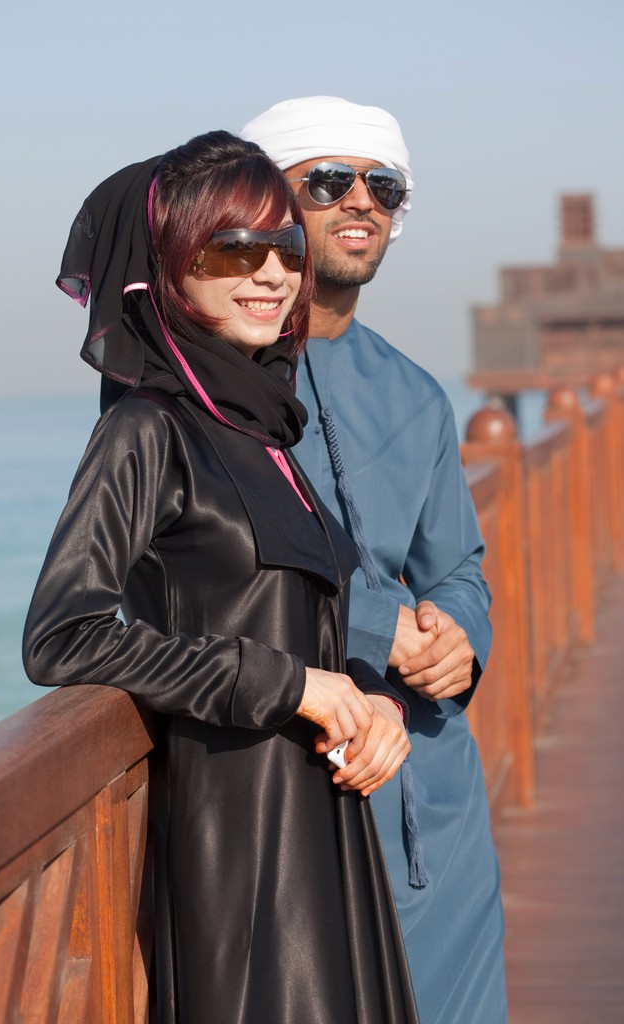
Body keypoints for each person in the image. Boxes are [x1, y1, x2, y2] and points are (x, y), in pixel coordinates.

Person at [23, 131, 421, 1024]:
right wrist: (288, 685)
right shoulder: (146, 427)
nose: (272, 274)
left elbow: (303, 620)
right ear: (169, 268)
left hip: (324, 822)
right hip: (240, 845)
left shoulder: (260, 425)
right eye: (234, 250)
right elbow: (62, 637)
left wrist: (373, 701)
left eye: (284, 248)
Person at [241, 97, 508, 1024]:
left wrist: (455, 639)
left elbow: (458, 567)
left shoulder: (415, 393)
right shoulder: (205, 389)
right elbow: (186, 572)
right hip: (288, 786)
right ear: (264, 203)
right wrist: (372, 625)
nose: (360, 200)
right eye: (326, 180)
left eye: (383, 186)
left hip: (435, 795)